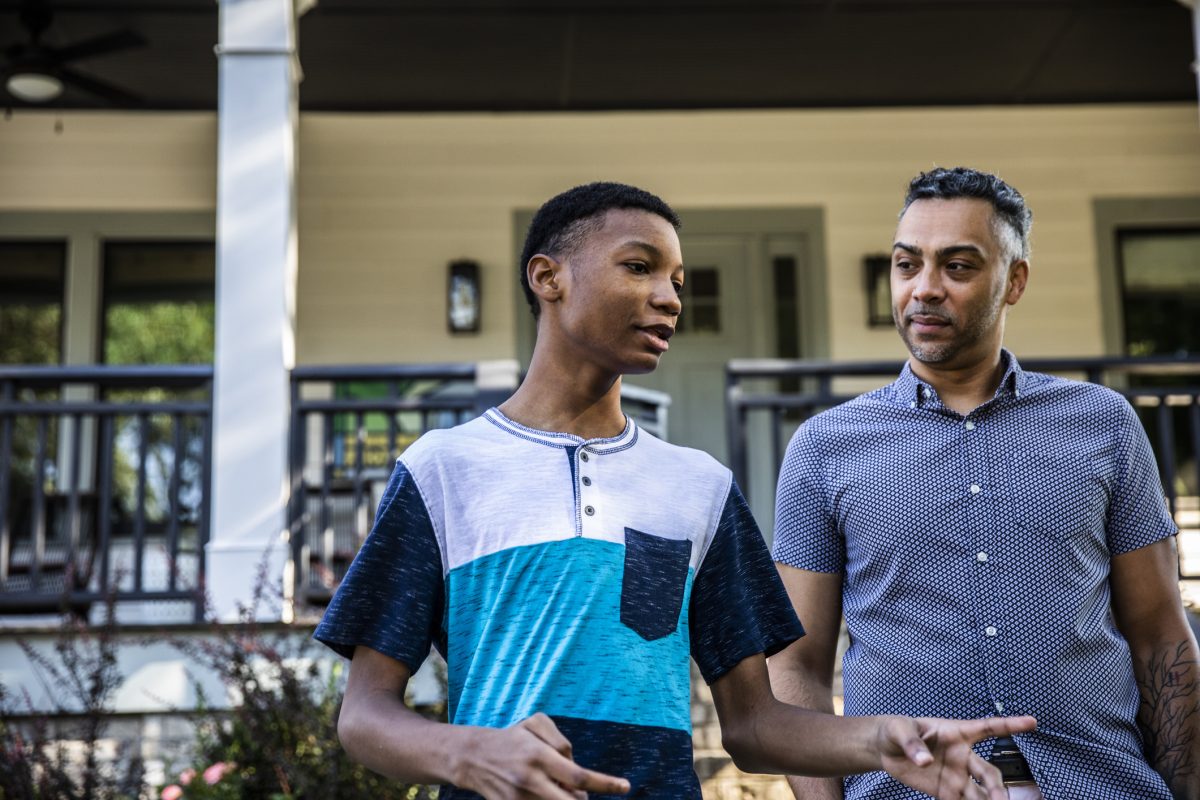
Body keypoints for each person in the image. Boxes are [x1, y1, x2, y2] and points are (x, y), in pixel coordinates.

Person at [314, 181, 1034, 800]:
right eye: (639, 268)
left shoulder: (700, 487)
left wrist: (883, 741)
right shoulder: (444, 469)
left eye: (679, 282)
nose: (668, 298)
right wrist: (468, 753)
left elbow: (753, 726)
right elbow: (365, 714)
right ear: (548, 277)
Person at [769, 166, 1200, 800]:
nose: (925, 289)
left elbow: (1162, 636)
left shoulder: (1104, 423)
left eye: (959, 267)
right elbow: (795, 665)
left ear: (1014, 280)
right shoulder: (824, 448)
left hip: (1101, 786)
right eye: (906, 264)